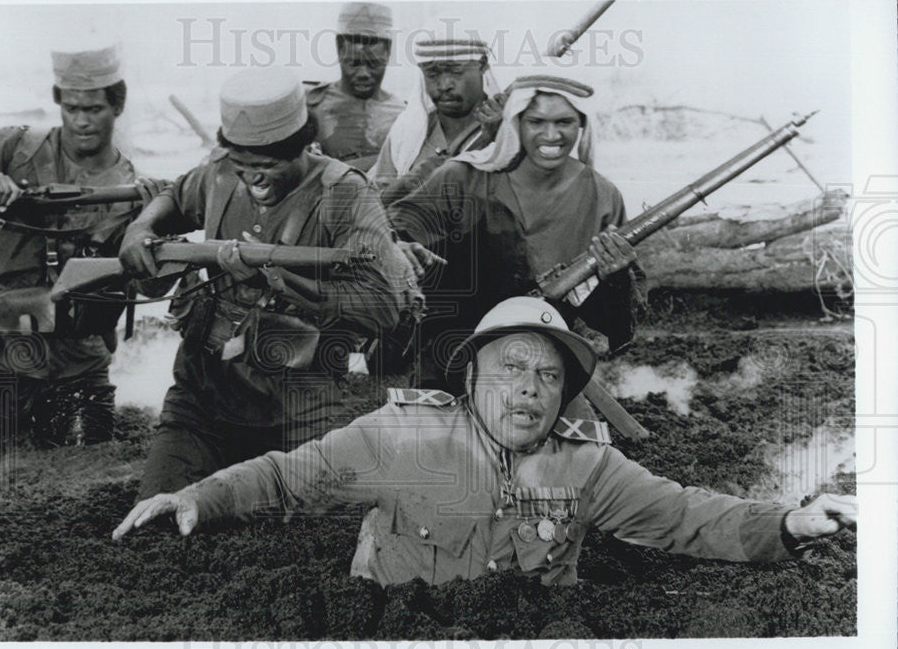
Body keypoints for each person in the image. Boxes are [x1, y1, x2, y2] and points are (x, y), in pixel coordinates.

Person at [113, 297, 857, 589]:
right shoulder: (400, 436)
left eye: (547, 374)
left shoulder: (587, 462)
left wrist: (787, 523)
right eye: (511, 368)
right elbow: (285, 479)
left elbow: (687, 517)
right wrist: (196, 496)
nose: (530, 388)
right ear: (471, 378)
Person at [118, 66, 405, 502]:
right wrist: (140, 229)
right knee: (157, 510)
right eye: (242, 165)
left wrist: (282, 282)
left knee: (326, 522)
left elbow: (384, 306)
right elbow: (175, 197)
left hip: (301, 404)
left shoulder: (346, 195)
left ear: (302, 148)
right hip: (202, 400)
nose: (252, 179)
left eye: (267, 166)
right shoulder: (218, 174)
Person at [0, 43, 164, 450]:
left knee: (87, 462)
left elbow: (152, 287)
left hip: (76, 357)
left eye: (94, 109)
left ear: (117, 108)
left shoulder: (133, 187)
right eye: (72, 108)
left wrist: (152, 222)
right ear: (60, 104)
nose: (82, 121)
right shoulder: (15, 147)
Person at [386, 74, 646, 394]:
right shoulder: (463, 176)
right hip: (451, 357)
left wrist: (617, 278)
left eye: (564, 122)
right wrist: (401, 247)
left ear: (581, 125)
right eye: (536, 121)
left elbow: (617, 328)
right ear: (516, 123)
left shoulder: (603, 197)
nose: (551, 135)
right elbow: (395, 231)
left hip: (542, 360)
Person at [369, 24, 505, 207]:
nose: (444, 85)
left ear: (482, 65)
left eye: (456, 71)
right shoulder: (406, 131)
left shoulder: (509, 127)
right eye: (432, 74)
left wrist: (499, 141)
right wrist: (413, 180)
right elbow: (373, 205)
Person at [305, 2, 405, 170]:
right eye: (354, 64)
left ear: (388, 53)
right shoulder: (311, 106)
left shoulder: (404, 115)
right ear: (339, 49)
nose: (363, 74)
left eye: (373, 64)